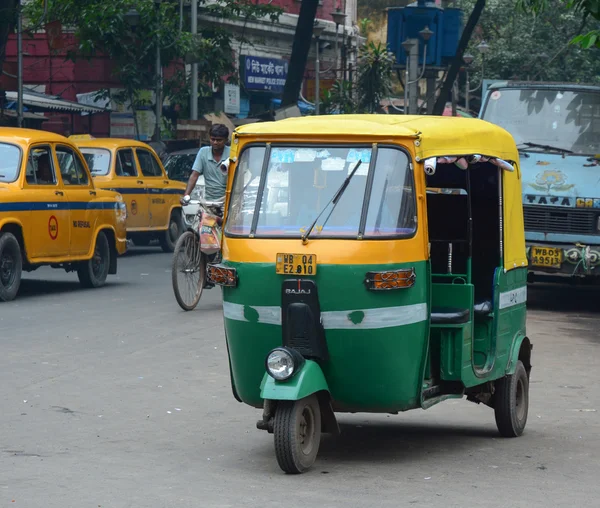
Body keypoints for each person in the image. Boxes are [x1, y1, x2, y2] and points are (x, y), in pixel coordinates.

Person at [181, 124, 230, 206]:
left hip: (228, 202)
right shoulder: (203, 152)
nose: (215, 142)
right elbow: (194, 176)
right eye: (212, 139)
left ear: (226, 140)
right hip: (209, 202)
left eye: (219, 140)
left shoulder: (232, 153)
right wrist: (186, 195)